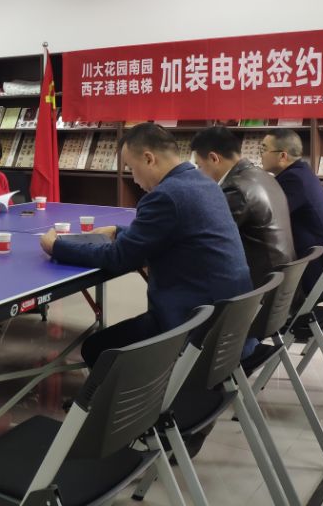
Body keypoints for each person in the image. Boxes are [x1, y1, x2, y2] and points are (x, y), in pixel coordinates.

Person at [39, 123, 251, 367]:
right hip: (231, 324)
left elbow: (119, 258)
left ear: (149, 159)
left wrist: (56, 247)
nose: (133, 177)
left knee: (96, 348)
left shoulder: (165, 195)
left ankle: (132, 392)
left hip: (194, 326)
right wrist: (119, 231)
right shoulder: (205, 183)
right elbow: (175, 232)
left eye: (131, 167)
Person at [190, 126, 296, 286]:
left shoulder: (236, 189)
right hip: (281, 278)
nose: (200, 173)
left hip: (262, 285)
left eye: (199, 166)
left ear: (214, 158)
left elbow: (208, 237)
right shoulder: (262, 175)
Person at [260, 128, 323, 290]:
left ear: (282, 156)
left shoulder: (293, 179)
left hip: (318, 266)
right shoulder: (301, 172)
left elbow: (268, 218)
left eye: (264, 149)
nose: (261, 155)